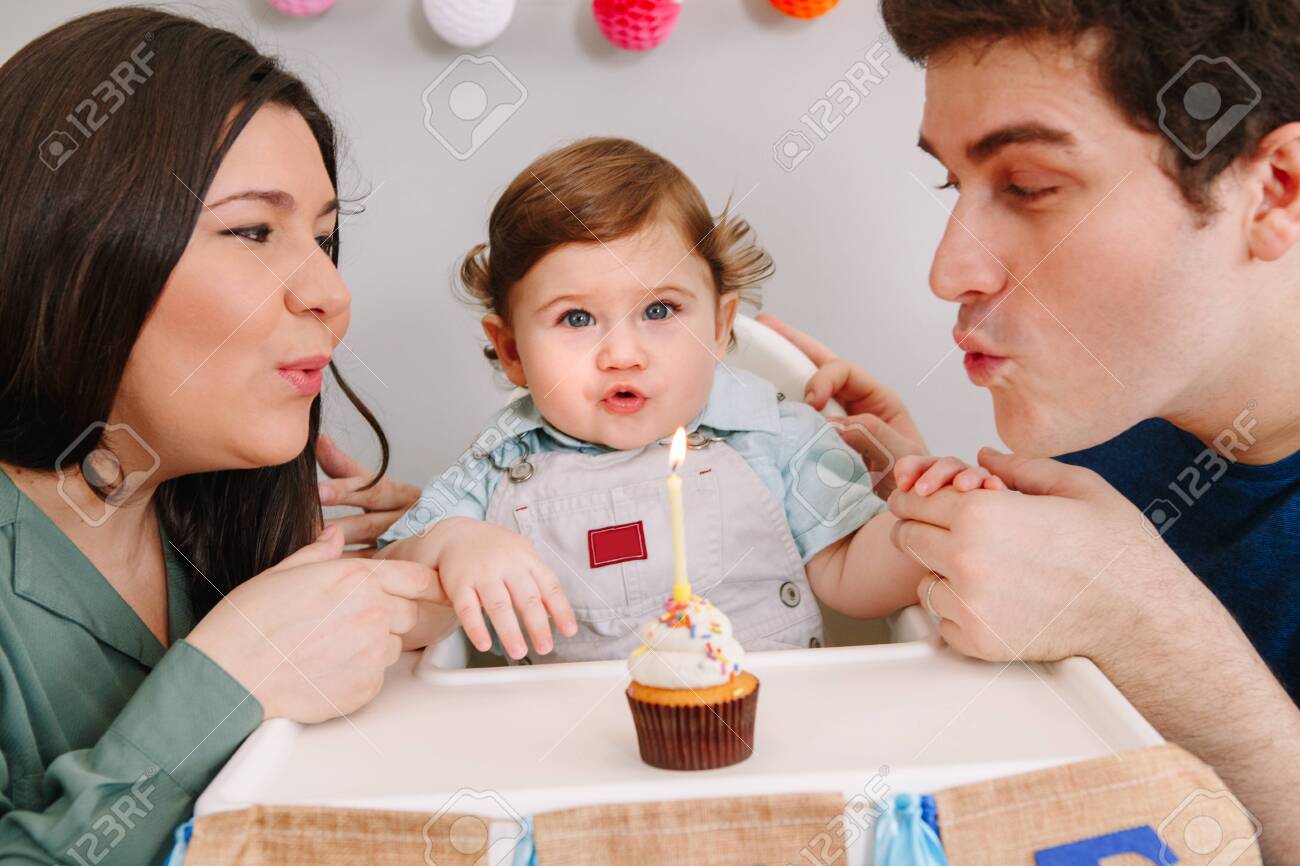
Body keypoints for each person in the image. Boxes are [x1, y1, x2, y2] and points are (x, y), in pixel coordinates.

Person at [763, 0, 1300, 856]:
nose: (949, 271)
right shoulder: (1109, 417)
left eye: (1029, 187)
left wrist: (1146, 628)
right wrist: (926, 510)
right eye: (953, 185)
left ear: (1274, 190)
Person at [0, 9, 445, 864]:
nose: (331, 293)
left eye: (324, 239)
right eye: (251, 231)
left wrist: (442, 552)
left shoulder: (219, 526)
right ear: (71, 250)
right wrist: (227, 686)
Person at [377, 137, 966, 663]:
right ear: (511, 350)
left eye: (659, 310)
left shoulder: (778, 436)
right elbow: (388, 595)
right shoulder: (494, 466)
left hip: (771, 720)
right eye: (576, 318)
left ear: (719, 326)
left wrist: (928, 526)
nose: (622, 354)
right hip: (574, 739)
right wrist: (448, 545)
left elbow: (850, 575)